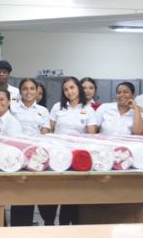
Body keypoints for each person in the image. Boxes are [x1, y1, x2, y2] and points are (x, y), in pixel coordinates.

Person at [44, 76, 96, 226]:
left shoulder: (88, 109)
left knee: (71, 194)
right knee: (54, 193)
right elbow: (49, 130)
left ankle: (66, 226)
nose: (69, 92)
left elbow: (91, 135)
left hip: (78, 158)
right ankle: (49, 224)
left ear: (78, 88)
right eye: (66, 89)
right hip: (58, 155)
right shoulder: (57, 107)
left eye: (72, 88)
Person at [8, 79, 51, 227]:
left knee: (33, 192)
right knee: (19, 194)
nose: (28, 92)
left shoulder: (43, 111)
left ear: (36, 91)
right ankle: (17, 228)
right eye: (25, 89)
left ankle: (29, 227)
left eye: (32, 88)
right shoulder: (12, 108)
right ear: (20, 92)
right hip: (17, 156)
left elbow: (45, 134)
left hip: (36, 157)